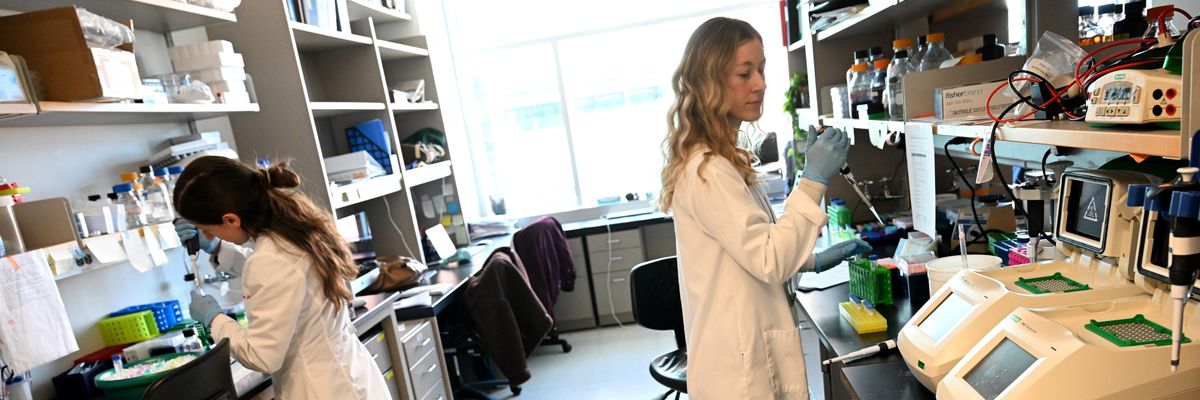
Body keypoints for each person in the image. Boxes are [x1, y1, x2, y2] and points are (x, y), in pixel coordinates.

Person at [659, 17, 871, 399]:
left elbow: (744, 252)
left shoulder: (722, 160)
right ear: (710, 82)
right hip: (738, 374)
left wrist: (811, 261)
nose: (760, 83)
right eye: (745, 73)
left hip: (745, 355)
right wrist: (813, 180)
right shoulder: (707, 169)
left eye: (761, 69)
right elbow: (768, 259)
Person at [176, 156, 389, 399]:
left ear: (231, 219)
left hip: (321, 388)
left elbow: (262, 356)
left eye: (208, 229)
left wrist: (214, 320)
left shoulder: (269, 258)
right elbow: (288, 276)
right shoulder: (293, 229)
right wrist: (217, 248)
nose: (210, 234)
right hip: (345, 376)